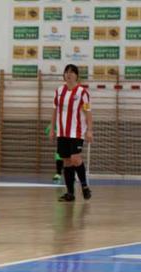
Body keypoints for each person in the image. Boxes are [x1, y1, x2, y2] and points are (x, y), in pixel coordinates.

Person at [49, 64, 93, 202]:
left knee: (75, 159)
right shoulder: (59, 91)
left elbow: (88, 112)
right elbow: (55, 110)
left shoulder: (82, 92)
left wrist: (90, 130)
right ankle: (70, 193)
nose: (69, 74)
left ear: (77, 76)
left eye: (72, 72)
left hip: (77, 131)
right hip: (62, 132)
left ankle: (85, 186)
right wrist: (52, 128)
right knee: (66, 161)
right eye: (66, 72)